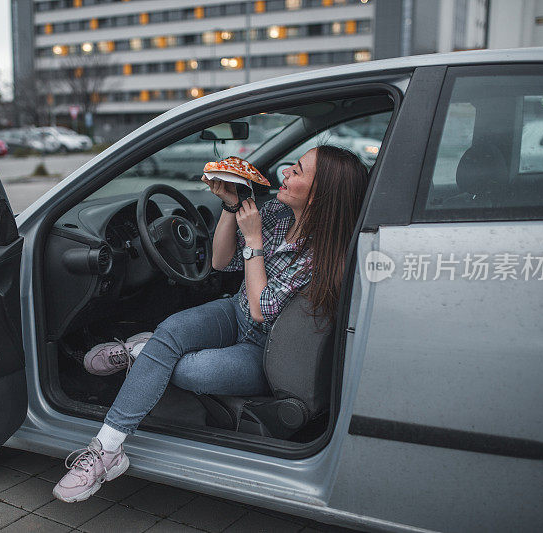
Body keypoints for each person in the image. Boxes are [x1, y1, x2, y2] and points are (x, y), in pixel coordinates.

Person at [52, 144, 369, 503]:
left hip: (265, 348)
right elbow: (220, 261)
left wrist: (253, 240)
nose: (285, 173)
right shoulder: (280, 214)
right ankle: (107, 451)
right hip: (234, 311)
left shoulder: (322, 256)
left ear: (320, 195)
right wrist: (231, 208)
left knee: (192, 371)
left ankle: (143, 352)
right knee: (171, 329)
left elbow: (261, 311)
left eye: (297, 171)